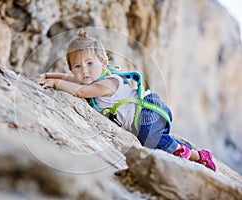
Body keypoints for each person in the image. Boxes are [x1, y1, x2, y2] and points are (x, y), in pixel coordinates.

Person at [31, 29, 216, 171]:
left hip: (146, 116)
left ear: (103, 63)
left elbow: (81, 91)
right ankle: (190, 151)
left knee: (156, 144)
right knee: (157, 140)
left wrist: (54, 83)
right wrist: (47, 74)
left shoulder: (109, 83)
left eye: (89, 64)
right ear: (71, 69)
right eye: (77, 66)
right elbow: (71, 80)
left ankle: (196, 155)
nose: (84, 71)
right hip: (143, 116)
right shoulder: (91, 77)